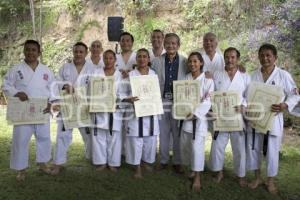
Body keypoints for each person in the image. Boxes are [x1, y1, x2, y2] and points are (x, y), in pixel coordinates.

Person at [246, 43, 299, 194]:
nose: (265, 58)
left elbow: (295, 94)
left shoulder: (283, 75)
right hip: (255, 118)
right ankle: (257, 177)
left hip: (273, 118)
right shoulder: (253, 75)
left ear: (275, 57)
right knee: (254, 148)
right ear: (258, 57)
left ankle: (270, 181)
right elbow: (245, 95)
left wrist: (285, 104)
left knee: (272, 151)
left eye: (268, 55)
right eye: (262, 55)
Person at [2, 40, 56, 181]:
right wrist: (16, 93)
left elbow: (53, 89)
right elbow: (6, 85)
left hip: (42, 109)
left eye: (33, 50)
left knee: (44, 138)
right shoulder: (16, 69)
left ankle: (43, 163)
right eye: (28, 49)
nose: (30, 52)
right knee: (20, 140)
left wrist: (50, 103)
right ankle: (21, 170)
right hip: (23, 111)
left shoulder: (46, 70)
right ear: (24, 51)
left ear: (39, 52)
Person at [51, 42, 95, 175]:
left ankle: (92, 157)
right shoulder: (65, 67)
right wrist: (64, 85)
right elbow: (56, 82)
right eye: (76, 51)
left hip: (84, 106)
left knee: (89, 134)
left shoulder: (92, 68)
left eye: (81, 52)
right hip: (67, 106)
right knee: (63, 135)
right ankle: (58, 164)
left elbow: (96, 86)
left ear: (86, 53)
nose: (78, 54)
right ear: (73, 52)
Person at [209, 47, 250, 187]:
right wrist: (212, 109)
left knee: (239, 147)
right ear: (224, 58)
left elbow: (248, 95)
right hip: (220, 116)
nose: (229, 59)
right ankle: (218, 172)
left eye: (233, 57)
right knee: (217, 145)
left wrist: (244, 106)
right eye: (227, 57)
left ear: (237, 59)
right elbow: (210, 93)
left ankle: (240, 175)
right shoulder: (216, 74)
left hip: (237, 117)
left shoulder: (245, 76)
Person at [152, 33, 187, 173]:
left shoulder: (185, 62)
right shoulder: (156, 61)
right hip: (162, 101)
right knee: (163, 132)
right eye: (168, 43)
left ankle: (177, 161)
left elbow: (196, 73)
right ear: (164, 44)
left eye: (173, 43)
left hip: (178, 102)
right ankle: (164, 160)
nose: (170, 45)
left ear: (178, 45)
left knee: (177, 132)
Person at [122, 48, 160, 178]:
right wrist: (129, 99)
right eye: (139, 57)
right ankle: (137, 167)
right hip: (135, 113)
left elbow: (156, 93)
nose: (142, 59)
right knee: (135, 140)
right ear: (136, 59)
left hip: (150, 112)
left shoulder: (153, 74)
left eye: (145, 56)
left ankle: (145, 162)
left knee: (150, 140)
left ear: (149, 59)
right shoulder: (131, 75)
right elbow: (122, 93)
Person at [180, 52, 214, 191]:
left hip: (199, 120)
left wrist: (196, 113)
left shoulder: (207, 80)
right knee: (186, 147)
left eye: (195, 61)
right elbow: (181, 97)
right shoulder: (186, 78)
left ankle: (197, 178)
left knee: (197, 149)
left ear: (201, 63)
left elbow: (208, 100)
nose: (192, 64)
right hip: (185, 118)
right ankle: (193, 169)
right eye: (190, 61)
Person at [91, 50, 123, 172]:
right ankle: (101, 162)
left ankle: (113, 163)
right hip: (99, 110)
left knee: (114, 138)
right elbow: (91, 91)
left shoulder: (119, 75)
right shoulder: (96, 73)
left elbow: (122, 92)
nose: (108, 60)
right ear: (102, 59)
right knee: (99, 138)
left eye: (111, 58)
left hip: (114, 111)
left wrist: (118, 101)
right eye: (106, 58)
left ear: (115, 60)